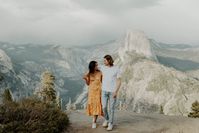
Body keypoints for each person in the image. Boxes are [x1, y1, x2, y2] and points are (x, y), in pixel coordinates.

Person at [100, 55, 122, 131]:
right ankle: (106, 119)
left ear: (109, 60)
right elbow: (94, 70)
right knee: (104, 107)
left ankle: (110, 123)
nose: (104, 62)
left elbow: (119, 81)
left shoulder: (116, 68)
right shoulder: (102, 67)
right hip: (104, 91)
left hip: (112, 92)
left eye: (105, 60)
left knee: (111, 109)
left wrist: (116, 91)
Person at [83, 61, 103, 128]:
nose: (97, 66)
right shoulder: (89, 73)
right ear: (93, 66)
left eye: (97, 65)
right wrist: (86, 79)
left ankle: (94, 121)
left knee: (97, 105)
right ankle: (95, 120)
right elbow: (88, 83)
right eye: (96, 65)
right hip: (91, 92)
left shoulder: (100, 73)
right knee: (92, 105)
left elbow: (103, 81)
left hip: (98, 92)